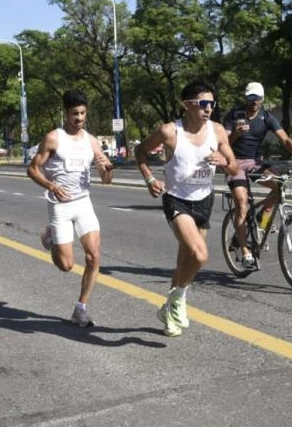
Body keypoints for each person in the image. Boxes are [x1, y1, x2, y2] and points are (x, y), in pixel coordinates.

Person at [134, 80, 238, 337]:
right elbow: (140, 152)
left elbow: (234, 167)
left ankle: (168, 311)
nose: (209, 109)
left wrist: (224, 161)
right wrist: (149, 179)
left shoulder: (218, 131)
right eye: (203, 103)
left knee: (185, 262)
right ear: (186, 105)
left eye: (212, 104)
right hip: (176, 199)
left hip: (204, 200)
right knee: (200, 255)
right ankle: (179, 299)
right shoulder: (170, 132)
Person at [27, 89, 114, 328]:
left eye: (83, 113)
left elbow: (107, 180)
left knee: (94, 256)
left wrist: (108, 167)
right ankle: (51, 236)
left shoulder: (92, 141)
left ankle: (80, 309)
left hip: (83, 203)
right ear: (66, 113)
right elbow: (32, 169)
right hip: (60, 206)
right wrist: (50, 185)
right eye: (75, 113)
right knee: (66, 266)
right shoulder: (53, 138)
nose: (79, 118)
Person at [224, 81, 292, 269]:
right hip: (234, 162)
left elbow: (285, 140)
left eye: (257, 99)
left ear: (262, 99)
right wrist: (235, 134)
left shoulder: (266, 117)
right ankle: (245, 252)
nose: (254, 102)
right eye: (251, 98)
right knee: (242, 203)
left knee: (280, 185)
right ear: (246, 98)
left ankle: (261, 221)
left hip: (254, 162)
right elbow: (223, 143)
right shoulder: (234, 115)